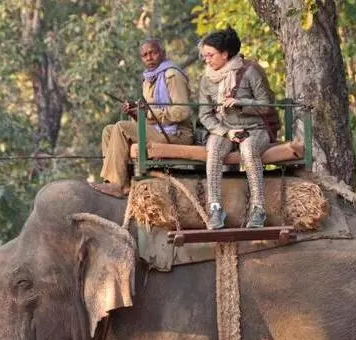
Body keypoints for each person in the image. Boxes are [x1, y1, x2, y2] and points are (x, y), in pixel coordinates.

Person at [198, 27, 276, 229]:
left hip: (255, 128)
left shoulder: (251, 71)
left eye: (210, 55)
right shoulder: (206, 79)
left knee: (249, 150)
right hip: (224, 129)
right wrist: (226, 132)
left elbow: (266, 105)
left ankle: (258, 209)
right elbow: (205, 115)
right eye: (204, 55)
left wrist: (241, 102)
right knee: (213, 150)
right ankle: (215, 208)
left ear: (225, 54)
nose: (207, 60)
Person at [99, 39, 193, 192]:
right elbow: (149, 110)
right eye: (144, 55)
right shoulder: (149, 78)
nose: (149, 58)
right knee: (108, 131)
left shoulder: (172, 75)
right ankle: (118, 180)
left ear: (162, 53)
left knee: (121, 127)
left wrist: (147, 113)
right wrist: (135, 110)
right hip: (157, 128)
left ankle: (117, 184)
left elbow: (182, 112)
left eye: (153, 53)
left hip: (177, 133)